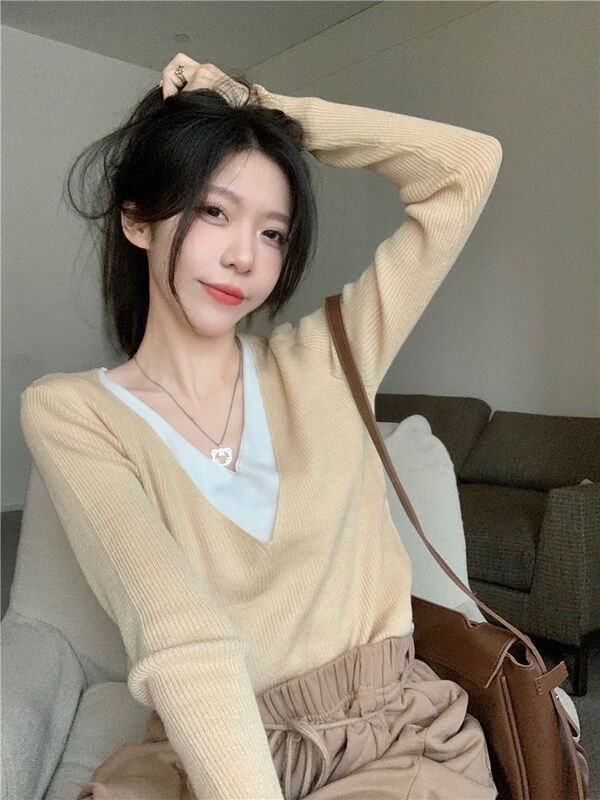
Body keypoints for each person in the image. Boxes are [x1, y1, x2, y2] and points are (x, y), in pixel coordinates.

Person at [20, 53, 503, 800]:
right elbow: (175, 629)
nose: (244, 256)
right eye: (214, 212)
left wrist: (266, 110)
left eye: (273, 233)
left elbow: (466, 168)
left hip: (390, 743)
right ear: (137, 219)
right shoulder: (74, 412)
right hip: (208, 748)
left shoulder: (329, 360)